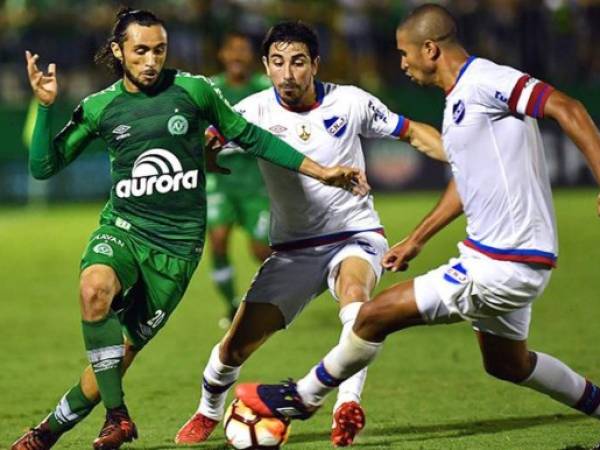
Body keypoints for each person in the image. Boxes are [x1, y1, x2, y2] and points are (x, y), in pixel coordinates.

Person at [235, 3, 600, 442]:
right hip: (498, 255)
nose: (401, 64)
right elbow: (465, 185)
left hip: (502, 263)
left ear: (430, 49)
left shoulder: (487, 80)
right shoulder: (458, 105)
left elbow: (569, 107)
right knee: (508, 364)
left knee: (372, 316)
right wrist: (416, 239)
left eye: (405, 54)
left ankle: (301, 396)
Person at [11, 8, 367, 450]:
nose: (150, 61)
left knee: (116, 358)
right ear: (118, 52)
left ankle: (48, 431)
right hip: (125, 227)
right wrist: (46, 107)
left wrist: (320, 170)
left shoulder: (194, 91)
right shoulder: (102, 107)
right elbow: (44, 166)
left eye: (159, 50)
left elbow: (251, 136)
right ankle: (117, 416)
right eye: (140, 51)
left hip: (177, 249)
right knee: (94, 289)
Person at [175, 21, 445, 447]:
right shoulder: (253, 111)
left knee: (357, 300)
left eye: (298, 62)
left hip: (354, 234)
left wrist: (457, 156)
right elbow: (206, 141)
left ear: (315, 64)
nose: (288, 73)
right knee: (234, 348)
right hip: (293, 250)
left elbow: (410, 131)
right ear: (266, 65)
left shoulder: (351, 102)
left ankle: (346, 406)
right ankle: (208, 411)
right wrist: (207, 154)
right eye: (278, 63)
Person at [207, 32, 273, 328]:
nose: (237, 56)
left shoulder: (264, 89)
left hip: (255, 181)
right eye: (231, 50)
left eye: (243, 51)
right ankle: (232, 305)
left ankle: (278, 297)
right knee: (218, 239)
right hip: (219, 181)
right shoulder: (210, 89)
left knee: (261, 249)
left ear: (252, 57)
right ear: (222, 55)